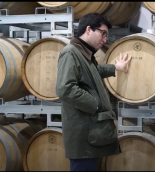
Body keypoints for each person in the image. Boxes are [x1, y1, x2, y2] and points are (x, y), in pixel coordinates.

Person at [55, 13, 131, 171]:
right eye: (102, 33)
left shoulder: (85, 54)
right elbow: (65, 89)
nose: (105, 39)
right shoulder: (71, 52)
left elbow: (94, 71)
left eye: (106, 35)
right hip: (84, 133)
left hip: (90, 131)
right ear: (88, 29)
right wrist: (95, 103)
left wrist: (116, 68)